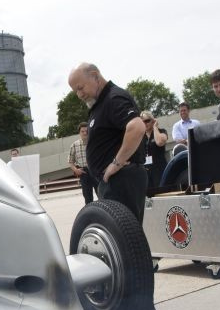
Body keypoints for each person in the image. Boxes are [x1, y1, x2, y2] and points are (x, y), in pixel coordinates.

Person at [67, 63, 147, 222]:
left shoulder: (113, 98)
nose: (79, 95)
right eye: (76, 91)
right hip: (112, 182)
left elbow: (137, 127)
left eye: (80, 88)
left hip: (121, 181)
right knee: (116, 234)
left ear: (95, 76)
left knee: (125, 234)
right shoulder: (100, 103)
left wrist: (116, 163)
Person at [67, 122, 96, 205]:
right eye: (82, 131)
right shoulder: (74, 145)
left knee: (101, 193)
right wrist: (76, 170)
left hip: (95, 170)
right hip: (84, 172)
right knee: (87, 197)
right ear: (79, 133)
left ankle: (103, 211)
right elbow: (70, 161)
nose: (85, 133)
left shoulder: (95, 142)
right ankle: (90, 212)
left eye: (86, 131)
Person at [140, 111, 169, 190]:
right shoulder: (141, 136)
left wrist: (155, 127)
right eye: (142, 122)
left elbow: (159, 142)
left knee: (161, 191)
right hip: (146, 170)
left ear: (153, 120)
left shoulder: (161, 131)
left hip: (159, 168)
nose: (145, 123)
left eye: (147, 121)